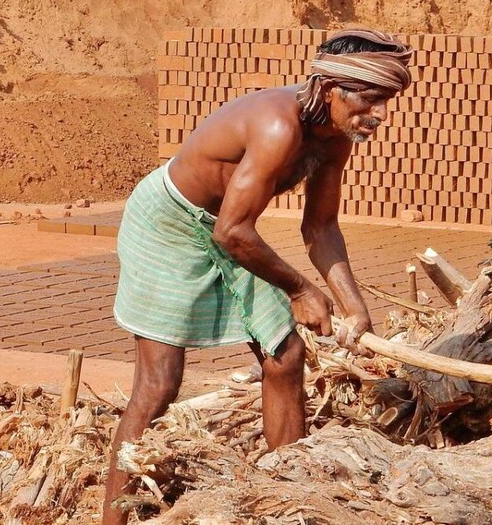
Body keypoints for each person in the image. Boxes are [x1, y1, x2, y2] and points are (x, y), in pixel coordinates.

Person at [102, 29, 413, 524]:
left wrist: (354, 308)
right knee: (158, 385)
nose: (379, 114)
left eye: (386, 101)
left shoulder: (335, 137)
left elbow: (321, 226)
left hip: (226, 229)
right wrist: (301, 289)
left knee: (285, 356)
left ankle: (289, 502)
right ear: (330, 89)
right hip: (169, 223)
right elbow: (232, 232)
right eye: (369, 100)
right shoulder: (277, 127)